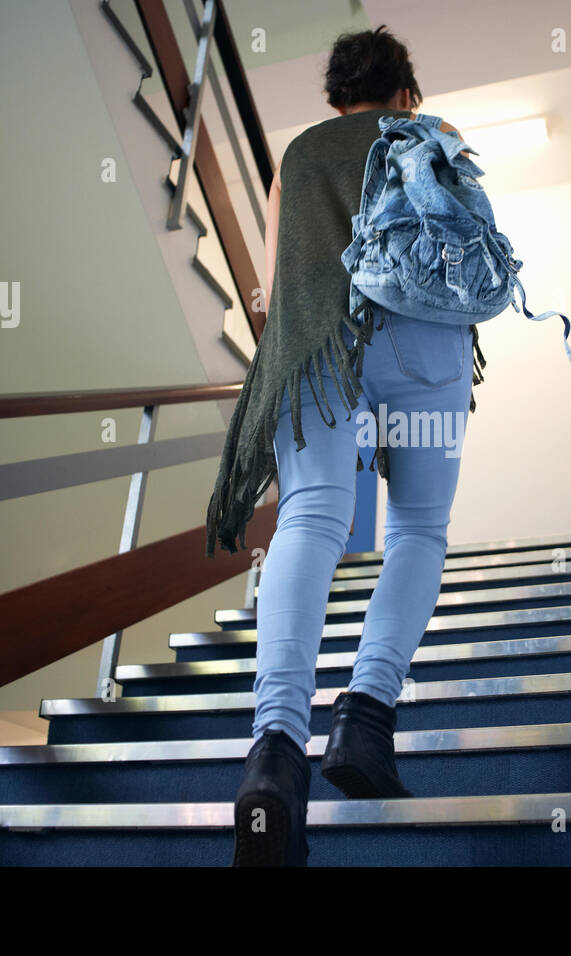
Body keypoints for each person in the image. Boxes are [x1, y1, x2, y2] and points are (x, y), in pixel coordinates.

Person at [204, 25, 482, 866]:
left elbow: (276, 282)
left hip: (325, 351)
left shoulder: (298, 156)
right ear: (406, 92)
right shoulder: (436, 135)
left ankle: (275, 758)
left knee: (311, 523)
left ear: (336, 97)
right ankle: (366, 721)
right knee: (417, 533)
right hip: (428, 350)